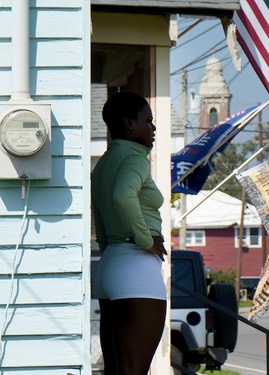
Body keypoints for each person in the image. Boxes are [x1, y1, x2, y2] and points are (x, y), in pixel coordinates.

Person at [92, 92, 168, 375]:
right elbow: (122, 197)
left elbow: (99, 209)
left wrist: (109, 246)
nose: (153, 128)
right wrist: (146, 239)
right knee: (135, 370)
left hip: (110, 264)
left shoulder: (104, 162)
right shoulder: (136, 159)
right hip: (135, 268)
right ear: (128, 124)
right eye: (147, 121)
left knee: (115, 370)